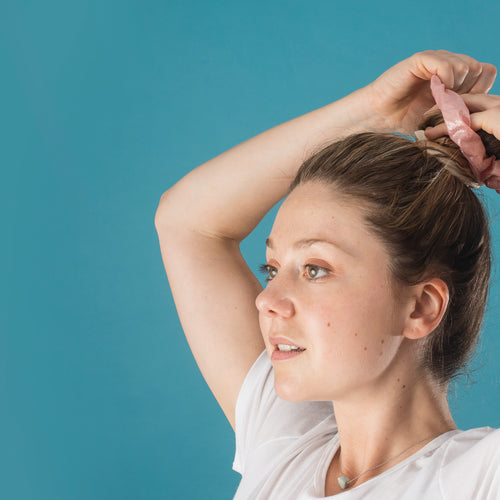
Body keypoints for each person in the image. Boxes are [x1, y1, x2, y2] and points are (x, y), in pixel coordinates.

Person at [154, 50, 500, 498]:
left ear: (421, 306)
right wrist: (377, 111)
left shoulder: (480, 474)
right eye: (272, 269)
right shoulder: (285, 448)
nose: (267, 299)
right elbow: (187, 223)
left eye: (315, 269)